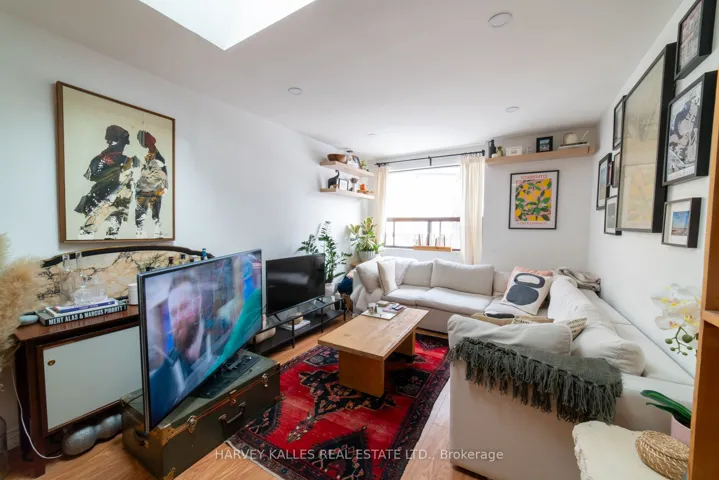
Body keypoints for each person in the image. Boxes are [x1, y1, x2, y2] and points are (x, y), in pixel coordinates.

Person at [149, 272, 218, 424]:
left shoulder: (221, 332)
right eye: (173, 313)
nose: (178, 319)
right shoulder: (158, 384)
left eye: (184, 307)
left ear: (197, 303)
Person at [74, 125, 139, 239]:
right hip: (104, 199)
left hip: (118, 201)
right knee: (88, 230)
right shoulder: (109, 158)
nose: (123, 145)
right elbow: (93, 175)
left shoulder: (110, 158)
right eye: (122, 142)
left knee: (112, 233)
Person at [135, 130, 169, 238]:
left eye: (146, 140)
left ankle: (157, 231)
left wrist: (164, 189)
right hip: (144, 190)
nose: (145, 143)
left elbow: (164, 176)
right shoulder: (148, 156)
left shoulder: (157, 158)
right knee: (141, 215)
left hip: (154, 190)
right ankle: (141, 232)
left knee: (155, 215)